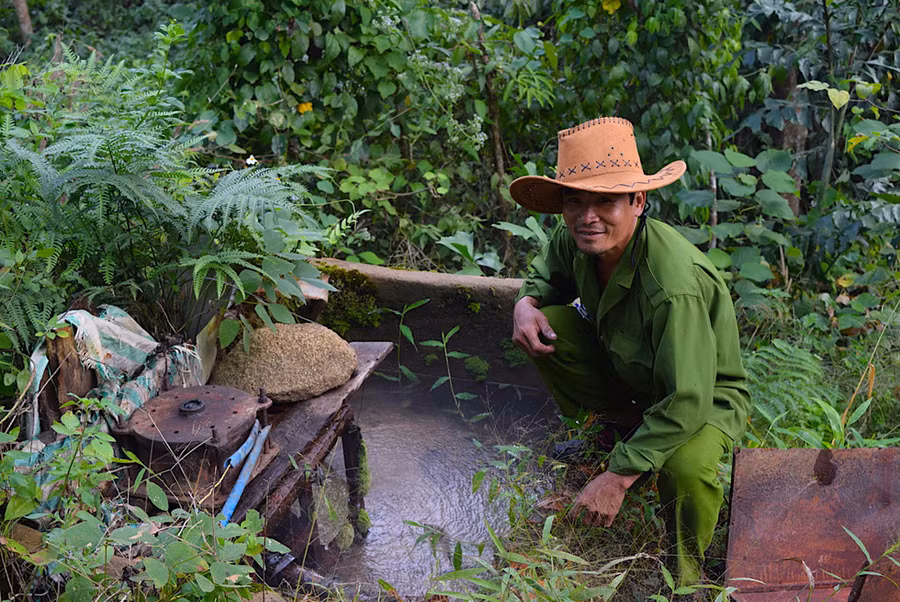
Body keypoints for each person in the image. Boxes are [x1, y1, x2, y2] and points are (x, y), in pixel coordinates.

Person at [509, 116, 751, 586]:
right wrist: (525, 302)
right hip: (633, 376)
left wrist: (616, 479)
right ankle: (613, 435)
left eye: (606, 201)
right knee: (550, 327)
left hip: (701, 398)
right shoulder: (577, 238)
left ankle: (686, 579)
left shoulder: (672, 285)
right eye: (575, 201)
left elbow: (686, 398)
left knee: (684, 468)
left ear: (638, 201)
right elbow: (548, 270)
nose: (587, 216)